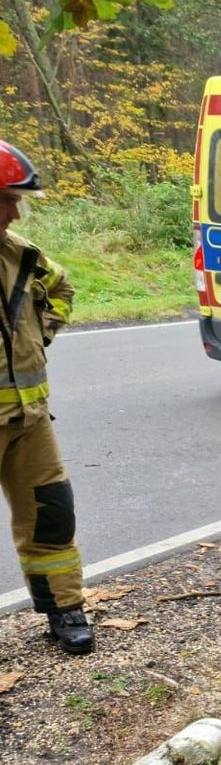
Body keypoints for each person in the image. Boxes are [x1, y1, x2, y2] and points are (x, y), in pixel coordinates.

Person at [0, 140, 93, 655]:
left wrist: (41, 331)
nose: (16, 210)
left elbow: (63, 289)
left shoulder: (23, 255)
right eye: (7, 199)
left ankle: (64, 608)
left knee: (50, 513)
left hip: (30, 420)